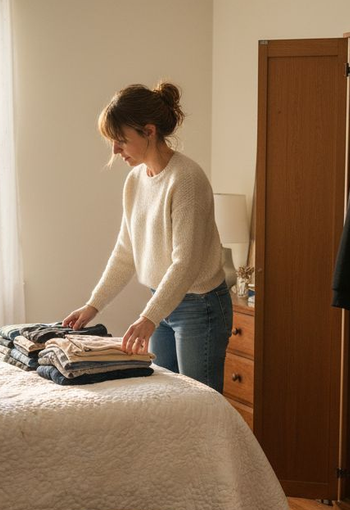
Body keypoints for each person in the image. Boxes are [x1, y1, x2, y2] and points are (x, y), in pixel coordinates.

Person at [62, 81, 232, 392]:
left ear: (149, 132)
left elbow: (186, 263)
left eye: (121, 140)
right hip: (163, 302)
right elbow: (125, 251)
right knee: (165, 399)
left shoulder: (186, 180)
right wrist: (93, 305)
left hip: (199, 306)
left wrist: (148, 317)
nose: (115, 149)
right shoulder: (135, 180)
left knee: (200, 406)